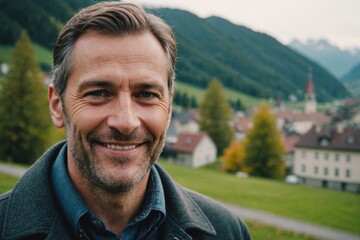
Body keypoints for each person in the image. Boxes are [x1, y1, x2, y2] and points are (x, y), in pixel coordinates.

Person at [0, 2, 251, 239]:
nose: (126, 122)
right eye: (99, 93)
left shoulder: (227, 231)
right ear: (57, 106)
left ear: (170, 107)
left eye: (146, 95)